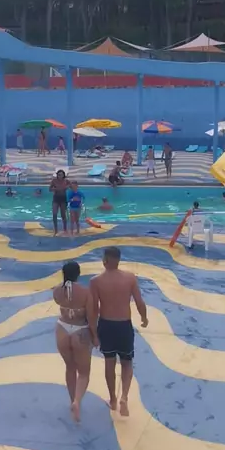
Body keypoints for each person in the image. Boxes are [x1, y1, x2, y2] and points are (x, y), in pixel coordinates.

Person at [90, 247, 147, 417]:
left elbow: (93, 309)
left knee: (109, 363)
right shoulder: (130, 278)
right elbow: (139, 302)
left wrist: (93, 333)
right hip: (124, 325)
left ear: (105, 260)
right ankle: (124, 397)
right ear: (119, 260)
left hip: (106, 325)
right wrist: (144, 318)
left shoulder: (96, 281)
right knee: (127, 362)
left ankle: (113, 399)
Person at [53, 261, 97, 422]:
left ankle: (72, 399)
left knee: (70, 368)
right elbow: (91, 318)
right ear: (78, 274)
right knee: (83, 373)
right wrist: (95, 336)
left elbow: (61, 302)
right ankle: (77, 401)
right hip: (81, 331)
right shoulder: (86, 293)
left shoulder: (57, 291)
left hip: (62, 330)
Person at [50, 169, 69, 235]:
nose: (60, 176)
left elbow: (72, 186)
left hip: (63, 199)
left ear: (63, 175)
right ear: (57, 175)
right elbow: (50, 189)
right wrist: (55, 189)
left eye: (61, 175)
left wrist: (67, 187)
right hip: (56, 199)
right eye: (59, 175)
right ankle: (56, 229)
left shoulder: (66, 181)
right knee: (54, 214)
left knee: (63, 214)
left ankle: (65, 229)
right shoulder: (54, 181)